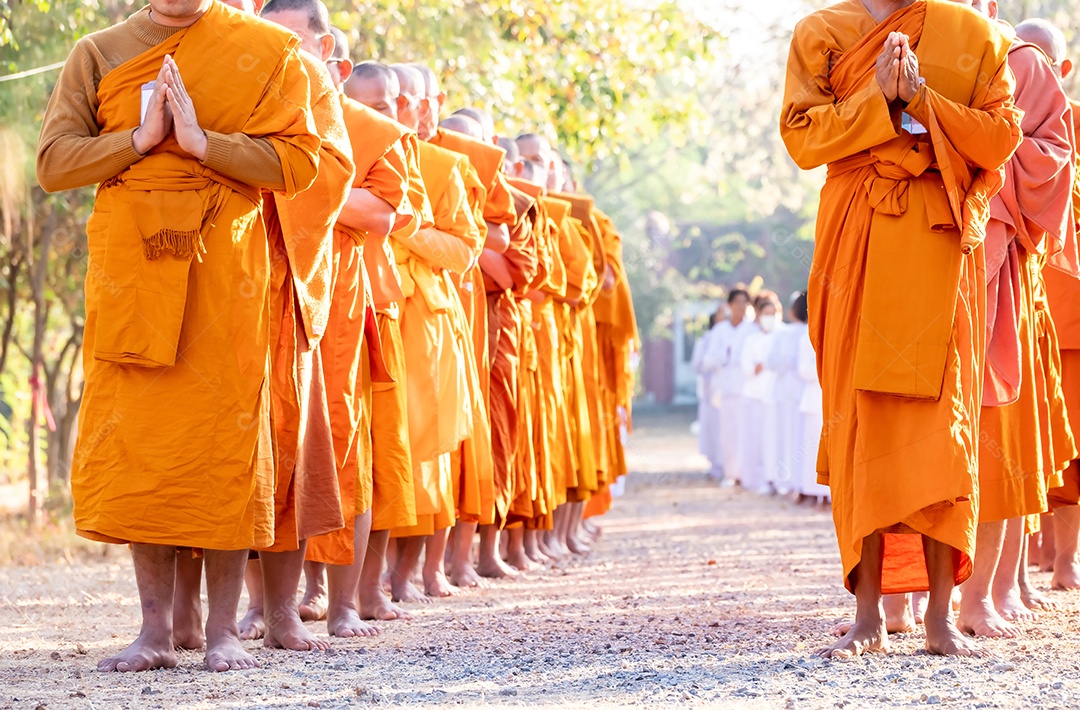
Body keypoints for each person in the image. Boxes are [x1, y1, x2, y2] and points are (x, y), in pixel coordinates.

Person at [37, 0, 320, 671]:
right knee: (146, 447)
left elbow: (301, 164)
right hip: (134, 266)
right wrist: (136, 142)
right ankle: (156, 634)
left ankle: (220, 633)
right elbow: (53, 164)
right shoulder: (99, 50)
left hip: (227, 269)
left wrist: (202, 145)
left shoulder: (268, 49)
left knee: (222, 444)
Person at [781, 0, 1022, 657]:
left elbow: (1001, 137)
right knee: (862, 422)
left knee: (943, 430)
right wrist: (880, 104)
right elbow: (802, 137)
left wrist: (924, 98)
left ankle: (940, 619)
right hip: (856, 238)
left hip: (936, 240)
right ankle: (869, 616)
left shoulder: (973, 36)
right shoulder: (820, 34)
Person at [220, 0, 353, 654]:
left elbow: (328, 173)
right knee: (219, 452)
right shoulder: (199, 61)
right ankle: (210, 616)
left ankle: (286, 611)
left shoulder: (308, 78)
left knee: (288, 448)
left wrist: (246, 160)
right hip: (209, 274)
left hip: (283, 278)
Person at [955, 0, 1077, 640]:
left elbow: (1046, 156)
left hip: (1006, 276)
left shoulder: (1017, 64)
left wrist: (989, 156)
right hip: (926, 254)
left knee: (1005, 434)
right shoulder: (888, 47)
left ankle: (992, 591)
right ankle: (896, 602)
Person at [343, 59, 435, 622]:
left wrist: (317, 191)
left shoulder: (389, 143)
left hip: (376, 300)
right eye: (375, 107)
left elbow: (399, 214)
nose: (389, 116)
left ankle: (366, 590)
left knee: (376, 457)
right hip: (296, 296)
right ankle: (285, 599)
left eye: (391, 107)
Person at [1023, 17, 1080, 593]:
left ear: (1061, 70)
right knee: (1038, 444)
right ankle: (1040, 555)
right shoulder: (996, 125)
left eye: (1038, 60)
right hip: (1033, 316)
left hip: (1075, 315)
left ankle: (1067, 558)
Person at [700, 289, 754, 485]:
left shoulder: (752, 330)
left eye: (744, 302)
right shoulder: (719, 331)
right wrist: (724, 356)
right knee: (728, 433)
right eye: (737, 302)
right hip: (725, 388)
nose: (741, 306)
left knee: (746, 431)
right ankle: (730, 473)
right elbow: (707, 360)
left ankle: (747, 473)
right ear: (729, 305)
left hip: (746, 389)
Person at [740, 291, 782, 495]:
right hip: (755, 396)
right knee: (756, 439)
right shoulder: (751, 340)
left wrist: (765, 364)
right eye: (766, 313)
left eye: (773, 313)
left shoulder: (783, 336)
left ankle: (777, 478)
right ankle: (760, 478)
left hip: (776, 397)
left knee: (776, 439)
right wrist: (759, 366)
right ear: (758, 315)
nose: (769, 318)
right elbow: (747, 367)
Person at [768, 292, 810, 496]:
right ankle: (797, 483)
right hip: (796, 394)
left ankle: (791, 482)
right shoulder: (788, 334)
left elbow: (771, 361)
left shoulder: (787, 334)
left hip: (795, 395)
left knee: (789, 439)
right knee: (799, 441)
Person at [795, 295, 830, 504]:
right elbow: (803, 369)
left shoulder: (833, 330)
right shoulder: (805, 336)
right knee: (810, 449)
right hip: (812, 397)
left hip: (829, 397)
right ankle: (813, 491)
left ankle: (829, 495)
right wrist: (824, 368)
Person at [692, 308, 725, 479]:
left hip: (728, 390)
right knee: (712, 429)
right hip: (710, 390)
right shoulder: (705, 340)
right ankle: (715, 463)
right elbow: (698, 364)